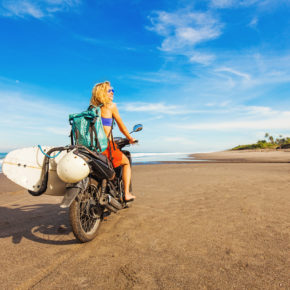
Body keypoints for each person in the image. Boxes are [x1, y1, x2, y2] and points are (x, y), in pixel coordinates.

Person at [90, 81, 136, 201]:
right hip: (106, 146)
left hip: (93, 147)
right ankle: (126, 194)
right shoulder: (111, 106)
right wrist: (130, 138)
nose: (112, 93)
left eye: (113, 91)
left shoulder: (91, 109)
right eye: (110, 91)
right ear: (102, 93)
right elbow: (121, 126)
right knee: (126, 163)